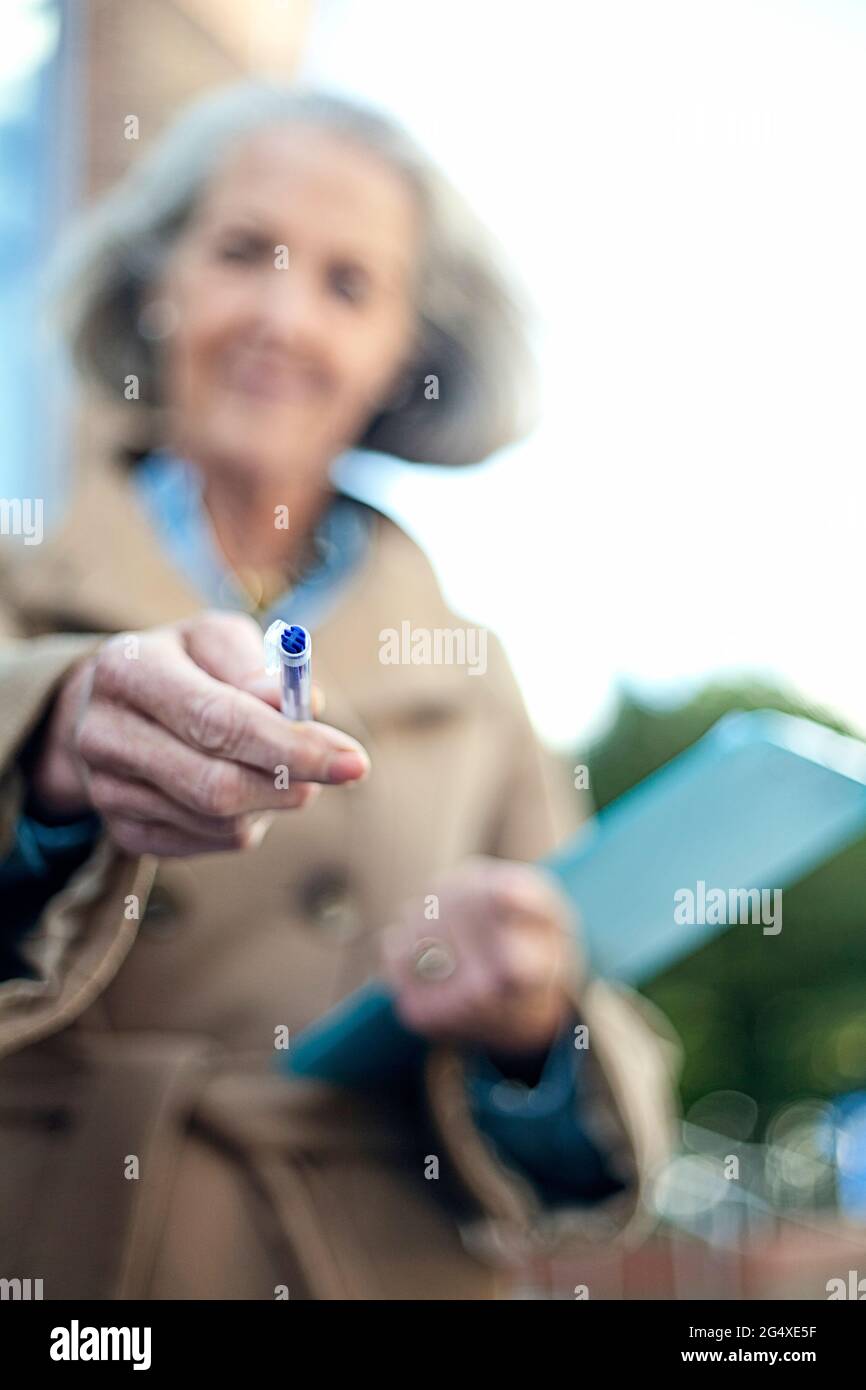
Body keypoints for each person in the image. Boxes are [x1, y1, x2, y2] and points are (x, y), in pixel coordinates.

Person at [0, 83, 680, 1299]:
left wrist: (527, 1023)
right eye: (240, 251)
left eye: (346, 284)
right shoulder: (16, 577)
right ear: (158, 284)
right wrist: (52, 757)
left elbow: (576, 1120)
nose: (281, 314)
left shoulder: (471, 675)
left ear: (402, 354)